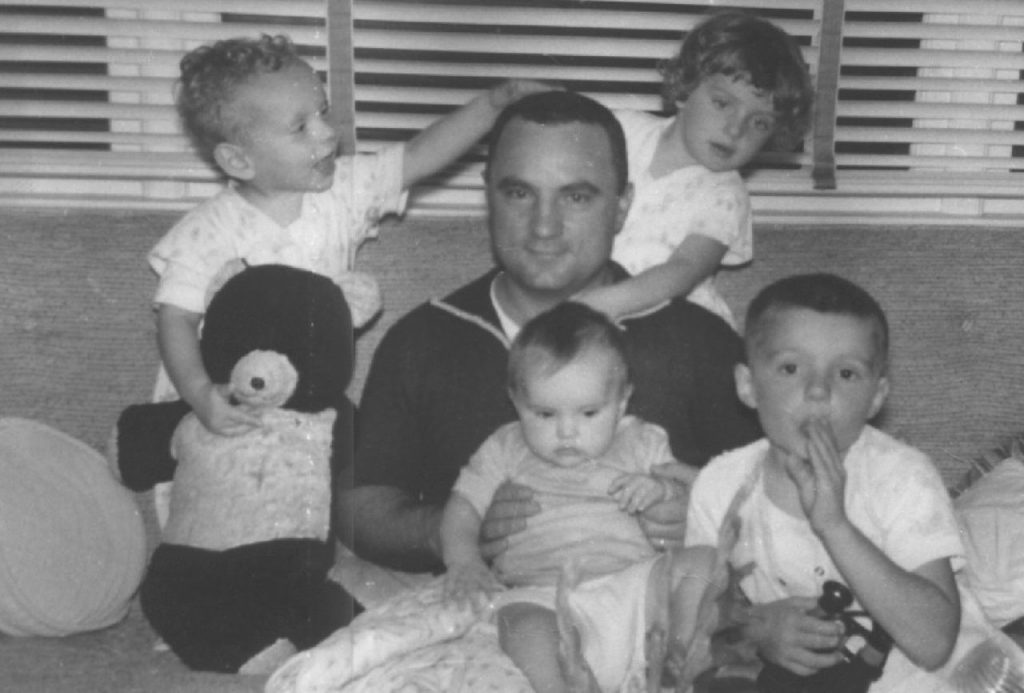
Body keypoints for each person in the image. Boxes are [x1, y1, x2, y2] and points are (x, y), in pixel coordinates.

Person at [343, 89, 760, 578]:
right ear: (488, 194)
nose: (544, 227)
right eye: (519, 193)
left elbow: (780, 495)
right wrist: (446, 531)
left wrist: (702, 515)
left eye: (577, 197)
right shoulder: (425, 337)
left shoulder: (697, 339)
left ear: (622, 206)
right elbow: (358, 508)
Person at [148, 33, 548, 435]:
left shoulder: (343, 190)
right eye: (300, 127)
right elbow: (177, 319)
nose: (327, 133)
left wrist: (492, 105)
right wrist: (201, 396)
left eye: (322, 112)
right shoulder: (209, 229)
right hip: (227, 405)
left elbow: (417, 157)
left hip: (307, 404)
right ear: (238, 160)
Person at [685, 273, 973, 692]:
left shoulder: (902, 478)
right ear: (747, 385)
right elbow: (694, 623)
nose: (817, 391)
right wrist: (758, 631)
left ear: (876, 397)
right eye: (790, 368)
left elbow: (934, 644)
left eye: (846, 374)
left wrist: (835, 525)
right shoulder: (720, 485)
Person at [441, 302, 702, 692]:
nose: (567, 432)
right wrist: (463, 559)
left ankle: (687, 664)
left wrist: (662, 490)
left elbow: (689, 497)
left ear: (623, 401)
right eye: (545, 414)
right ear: (516, 401)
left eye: (589, 413)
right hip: (544, 594)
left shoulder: (642, 441)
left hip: (635, 586)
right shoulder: (505, 447)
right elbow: (462, 508)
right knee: (522, 627)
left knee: (701, 566)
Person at [576, 11, 813, 326]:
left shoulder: (725, 195)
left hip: (674, 322)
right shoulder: (621, 130)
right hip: (590, 304)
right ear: (686, 88)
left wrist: (600, 304)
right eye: (723, 103)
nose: (735, 130)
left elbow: (684, 270)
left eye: (759, 122)